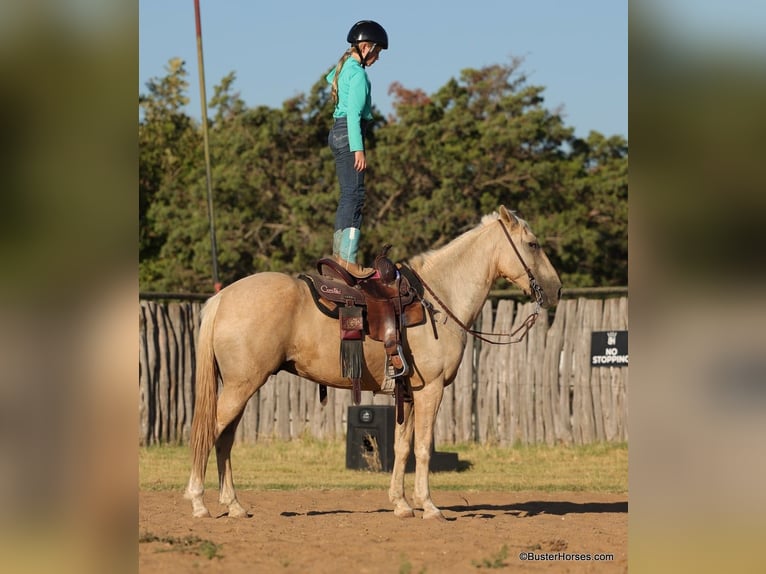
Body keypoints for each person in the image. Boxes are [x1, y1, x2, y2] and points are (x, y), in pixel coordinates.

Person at [326, 20, 388, 277]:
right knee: (356, 196)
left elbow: (330, 77)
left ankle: (339, 257)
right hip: (350, 134)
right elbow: (353, 114)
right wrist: (359, 149)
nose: (377, 58)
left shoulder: (345, 69)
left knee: (347, 196)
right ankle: (347, 261)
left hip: (336, 133)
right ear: (365, 47)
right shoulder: (359, 74)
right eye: (376, 53)